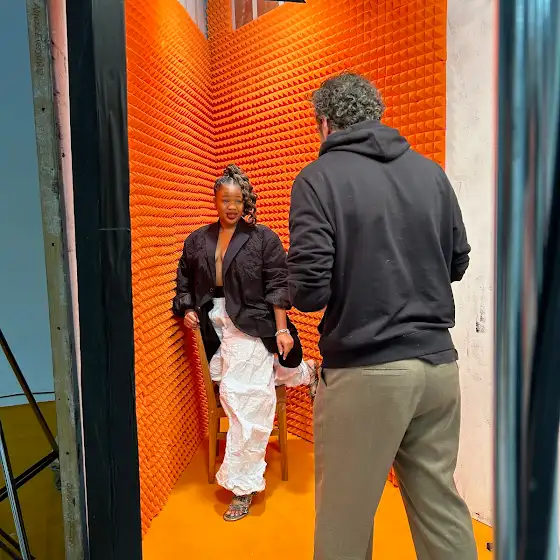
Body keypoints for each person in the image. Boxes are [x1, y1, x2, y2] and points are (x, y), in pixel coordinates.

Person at [287, 73, 477, 560]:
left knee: (344, 522)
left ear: (325, 122)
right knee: (441, 509)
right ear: (376, 114)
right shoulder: (431, 173)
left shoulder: (318, 178)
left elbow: (309, 291)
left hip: (365, 372)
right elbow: (458, 262)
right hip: (438, 368)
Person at [172, 164, 317, 522]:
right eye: (226, 200)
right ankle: (306, 372)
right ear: (215, 200)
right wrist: (187, 308)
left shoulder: (263, 239)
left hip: (253, 325)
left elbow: (278, 286)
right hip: (214, 330)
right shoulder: (197, 241)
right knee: (244, 384)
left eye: (238, 200)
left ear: (245, 201)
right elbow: (184, 280)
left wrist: (281, 330)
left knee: (244, 398)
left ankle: (243, 485)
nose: (232, 207)